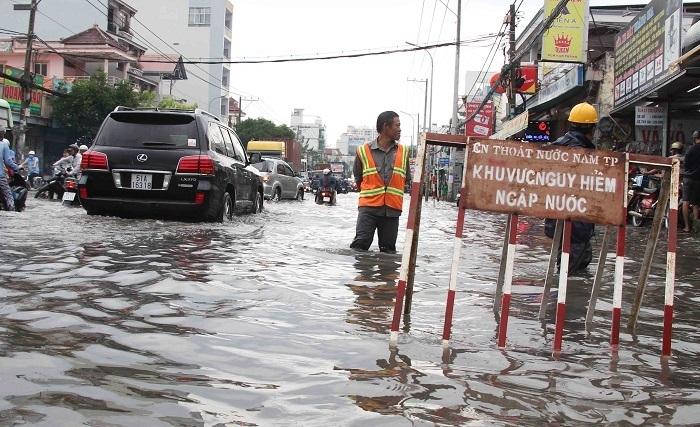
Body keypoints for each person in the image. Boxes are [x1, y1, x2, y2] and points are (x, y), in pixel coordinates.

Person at [544, 102, 598, 273]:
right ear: (593, 128)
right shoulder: (581, 152)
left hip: (558, 216)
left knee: (575, 265)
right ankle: (567, 298)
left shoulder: (557, 146)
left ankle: (567, 297)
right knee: (570, 273)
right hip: (576, 222)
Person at [350, 111, 411, 253]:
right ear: (385, 127)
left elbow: (406, 179)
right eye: (397, 125)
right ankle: (362, 275)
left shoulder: (404, 151)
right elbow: (358, 178)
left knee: (388, 251)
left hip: (392, 210)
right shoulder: (363, 151)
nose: (400, 129)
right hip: (368, 209)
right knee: (360, 246)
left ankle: (385, 276)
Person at [682, 131, 700, 232]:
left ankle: (687, 226)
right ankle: (695, 227)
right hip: (698, 179)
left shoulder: (690, 149)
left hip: (688, 178)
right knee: (696, 203)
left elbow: (686, 163)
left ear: (694, 138)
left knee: (686, 202)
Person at [0, 126, 20, 211]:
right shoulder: (4, 145)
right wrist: (17, 167)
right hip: (0, 176)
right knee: (8, 195)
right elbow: (8, 161)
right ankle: (12, 211)